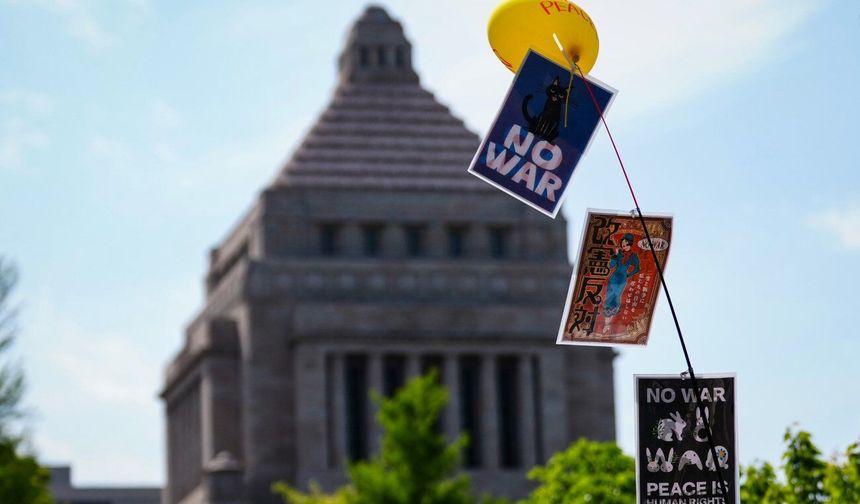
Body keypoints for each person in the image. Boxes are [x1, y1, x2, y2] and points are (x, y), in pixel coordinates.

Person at [602, 233, 640, 325]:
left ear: (629, 243)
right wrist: (615, 255)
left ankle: (610, 318)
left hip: (622, 278)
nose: (623, 243)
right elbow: (611, 265)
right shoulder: (619, 254)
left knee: (616, 294)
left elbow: (637, 268)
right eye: (622, 241)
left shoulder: (633, 256)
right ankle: (607, 320)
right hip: (614, 276)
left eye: (625, 242)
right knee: (610, 293)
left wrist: (629, 274)